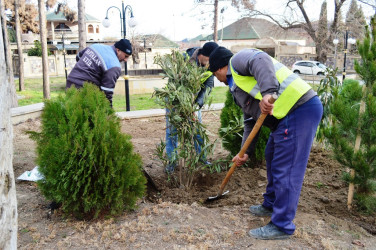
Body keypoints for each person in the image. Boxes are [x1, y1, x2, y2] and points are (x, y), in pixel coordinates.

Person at [209, 46, 323, 240]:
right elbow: (250, 120)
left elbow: (260, 59)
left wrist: (268, 93)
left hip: (299, 108)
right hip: (285, 117)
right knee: (271, 156)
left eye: (213, 73)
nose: (216, 78)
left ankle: (282, 225)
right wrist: (246, 151)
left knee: (286, 169)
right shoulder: (236, 85)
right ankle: (270, 204)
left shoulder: (237, 61)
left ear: (219, 68)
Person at [165, 42, 218, 173]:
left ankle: (201, 158)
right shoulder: (184, 59)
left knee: (197, 131)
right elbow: (174, 83)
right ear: (203, 55)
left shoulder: (209, 66)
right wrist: (183, 105)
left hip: (194, 102)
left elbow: (208, 86)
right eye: (211, 59)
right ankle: (172, 162)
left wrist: (196, 106)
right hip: (175, 100)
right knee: (172, 132)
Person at [66, 39, 132, 107]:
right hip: (85, 90)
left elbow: (78, 57)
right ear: (118, 50)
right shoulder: (114, 66)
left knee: (71, 112)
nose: (126, 60)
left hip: (70, 81)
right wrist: (109, 112)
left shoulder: (96, 46)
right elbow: (106, 92)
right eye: (126, 56)